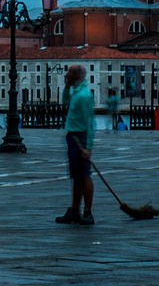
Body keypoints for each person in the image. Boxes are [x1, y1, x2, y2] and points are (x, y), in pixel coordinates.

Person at [57, 65, 97, 225]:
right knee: (76, 176)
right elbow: (65, 102)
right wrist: (66, 87)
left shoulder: (85, 96)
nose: (66, 75)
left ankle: (87, 212)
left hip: (81, 137)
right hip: (73, 136)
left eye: (69, 73)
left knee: (84, 175)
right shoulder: (76, 92)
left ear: (76, 76)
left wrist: (88, 147)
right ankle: (74, 209)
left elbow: (90, 122)